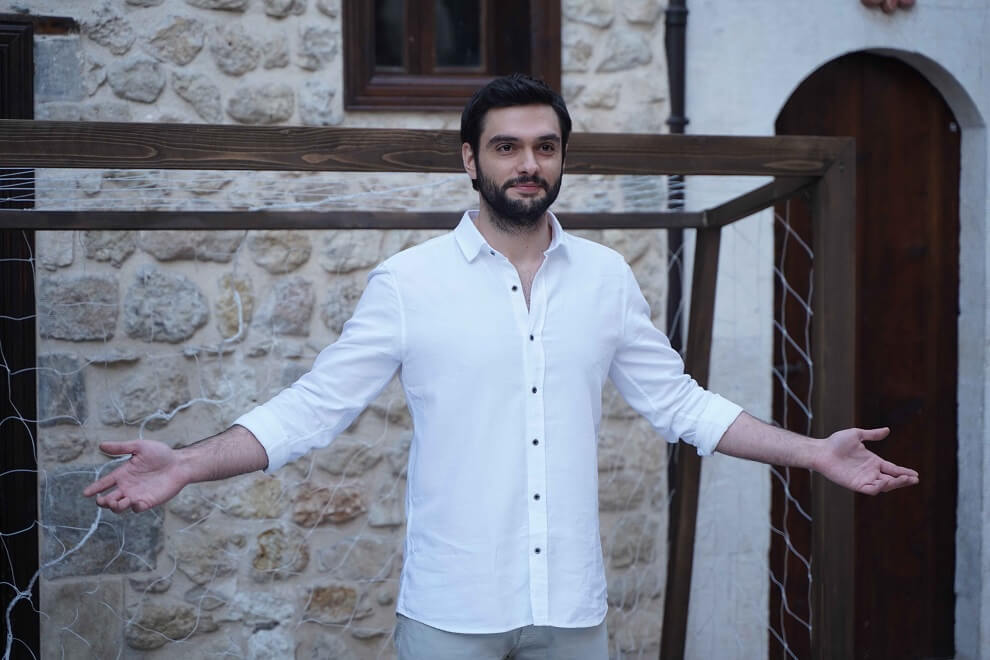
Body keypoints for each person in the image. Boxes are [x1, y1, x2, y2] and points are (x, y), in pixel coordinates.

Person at [84, 74, 919, 659]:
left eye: (546, 147)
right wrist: (188, 462)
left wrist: (814, 452)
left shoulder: (605, 279)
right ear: (469, 159)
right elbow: (312, 409)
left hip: (572, 612)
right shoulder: (408, 284)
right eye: (508, 147)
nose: (529, 164)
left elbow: (682, 405)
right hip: (451, 612)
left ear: (562, 158)